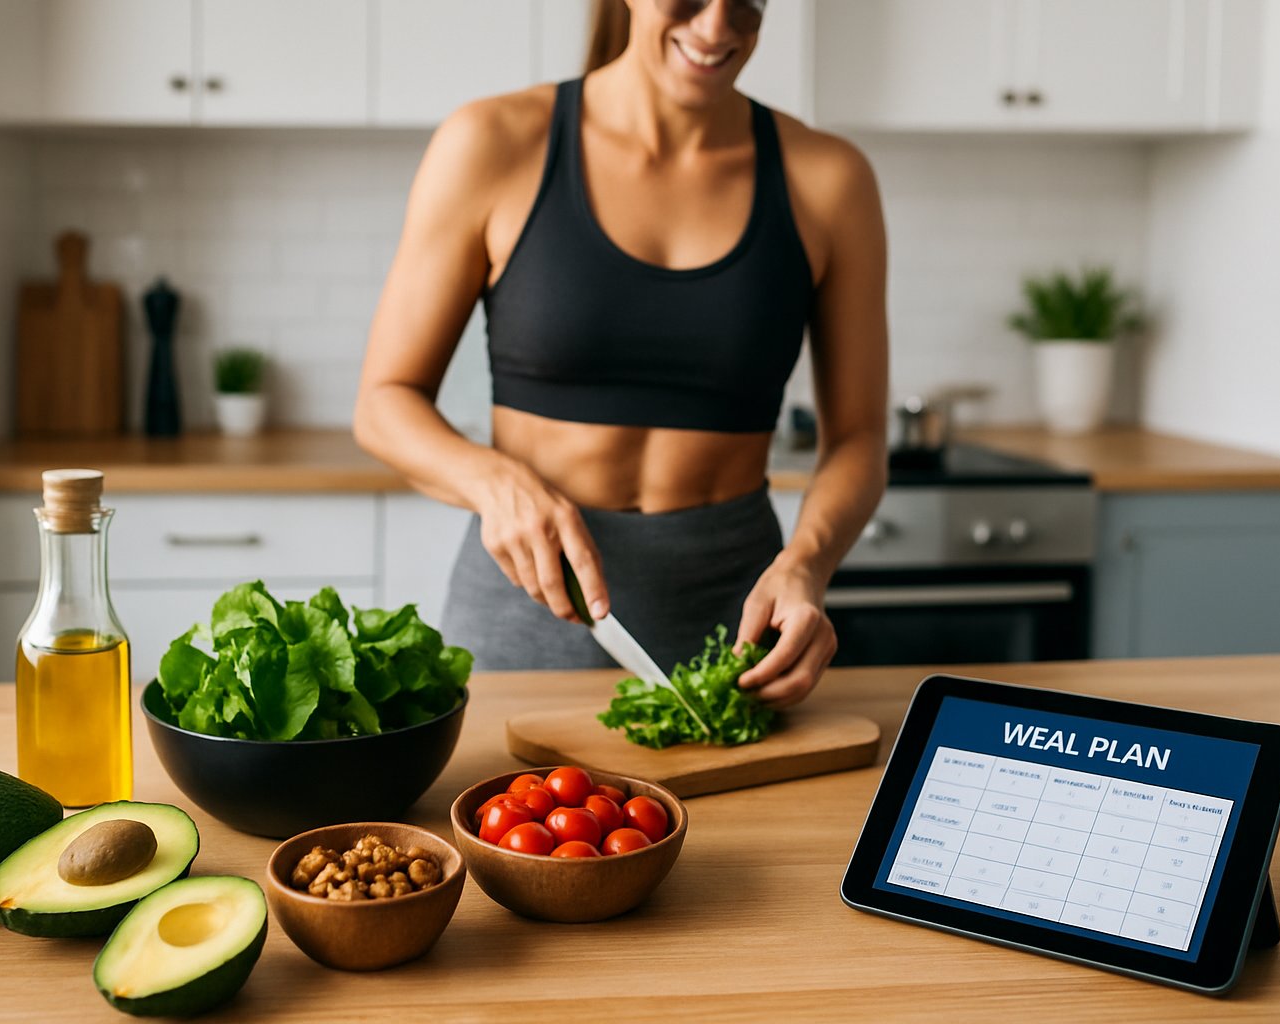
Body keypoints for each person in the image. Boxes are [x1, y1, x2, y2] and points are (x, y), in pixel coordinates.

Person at [353, 0, 888, 707]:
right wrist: (494, 484)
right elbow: (385, 402)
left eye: (748, 0)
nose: (717, 25)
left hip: (735, 630)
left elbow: (858, 437)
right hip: (525, 614)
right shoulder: (492, 142)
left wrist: (807, 567)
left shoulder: (830, 179)